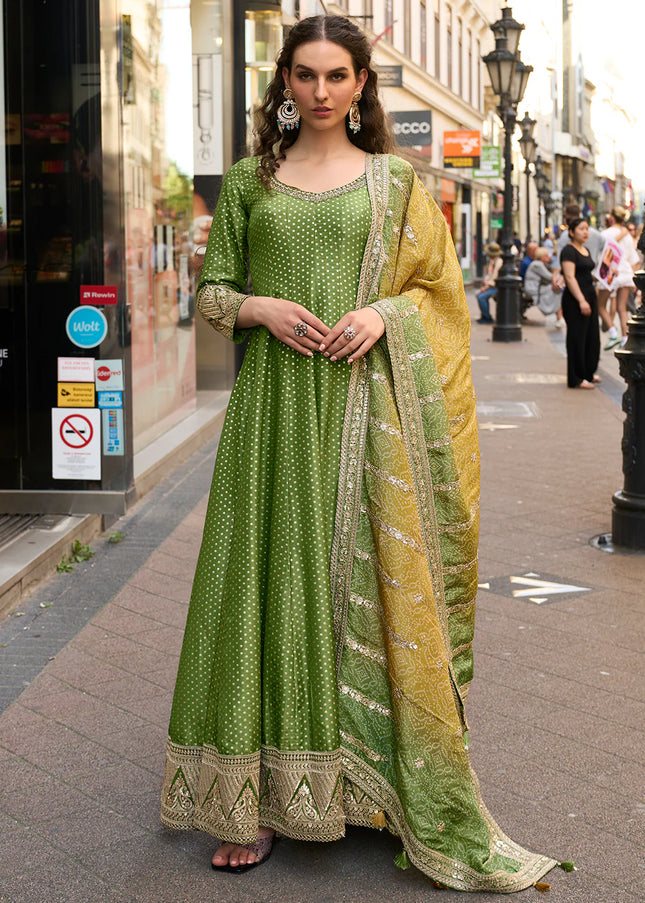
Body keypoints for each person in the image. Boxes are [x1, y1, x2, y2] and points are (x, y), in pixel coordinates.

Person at [159, 14, 558, 893]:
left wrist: (384, 316)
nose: (320, 91)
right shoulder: (250, 181)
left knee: (349, 590)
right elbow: (213, 289)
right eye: (304, 75)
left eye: (337, 76)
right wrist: (258, 309)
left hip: (360, 416)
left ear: (362, 84)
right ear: (284, 82)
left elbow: (436, 291)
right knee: (261, 586)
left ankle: (362, 782)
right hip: (269, 415)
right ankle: (253, 799)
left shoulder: (395, 182)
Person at [560, 217, 600, 388]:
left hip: (590, 296)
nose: (586, 232)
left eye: (587, 229)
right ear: (571, 232)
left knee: (592, 337)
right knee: (577, 338)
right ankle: (576, 377)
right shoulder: (568, 251)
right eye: (582, 229)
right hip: (575, 299)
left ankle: (587, 373)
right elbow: (570, 277)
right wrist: (581, 300)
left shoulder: (586, 249)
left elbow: (586, 274)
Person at [598, 206, 640, 349]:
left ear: (611, 217)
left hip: (609, 273)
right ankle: (625, 338)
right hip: (625, 273)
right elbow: (634, 260)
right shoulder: (627, 236)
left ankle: (613, 332)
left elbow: (601, 255)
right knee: (622, 308)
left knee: (600, 305)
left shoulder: (605, 234)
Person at [524, 246, 565, 325]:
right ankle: (559, 317)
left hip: (537, 287)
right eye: (546, 255)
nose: (548, 257)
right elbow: (550, 277)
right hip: (533, 288)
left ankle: (559, 317)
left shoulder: (540, 264)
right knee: (558, 289)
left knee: (558, 288)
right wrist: (560, 275)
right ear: (541, 257)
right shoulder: (537, 265)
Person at [476, 241, 502, 323]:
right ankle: (485, 314)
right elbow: (489, 275)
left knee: (481, 297)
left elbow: (494, 277)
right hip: (491, 285)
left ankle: (487, 317)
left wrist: (486, 286)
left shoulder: (499, 262)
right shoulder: (493, 261)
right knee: (479, 295)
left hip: (496, 286)